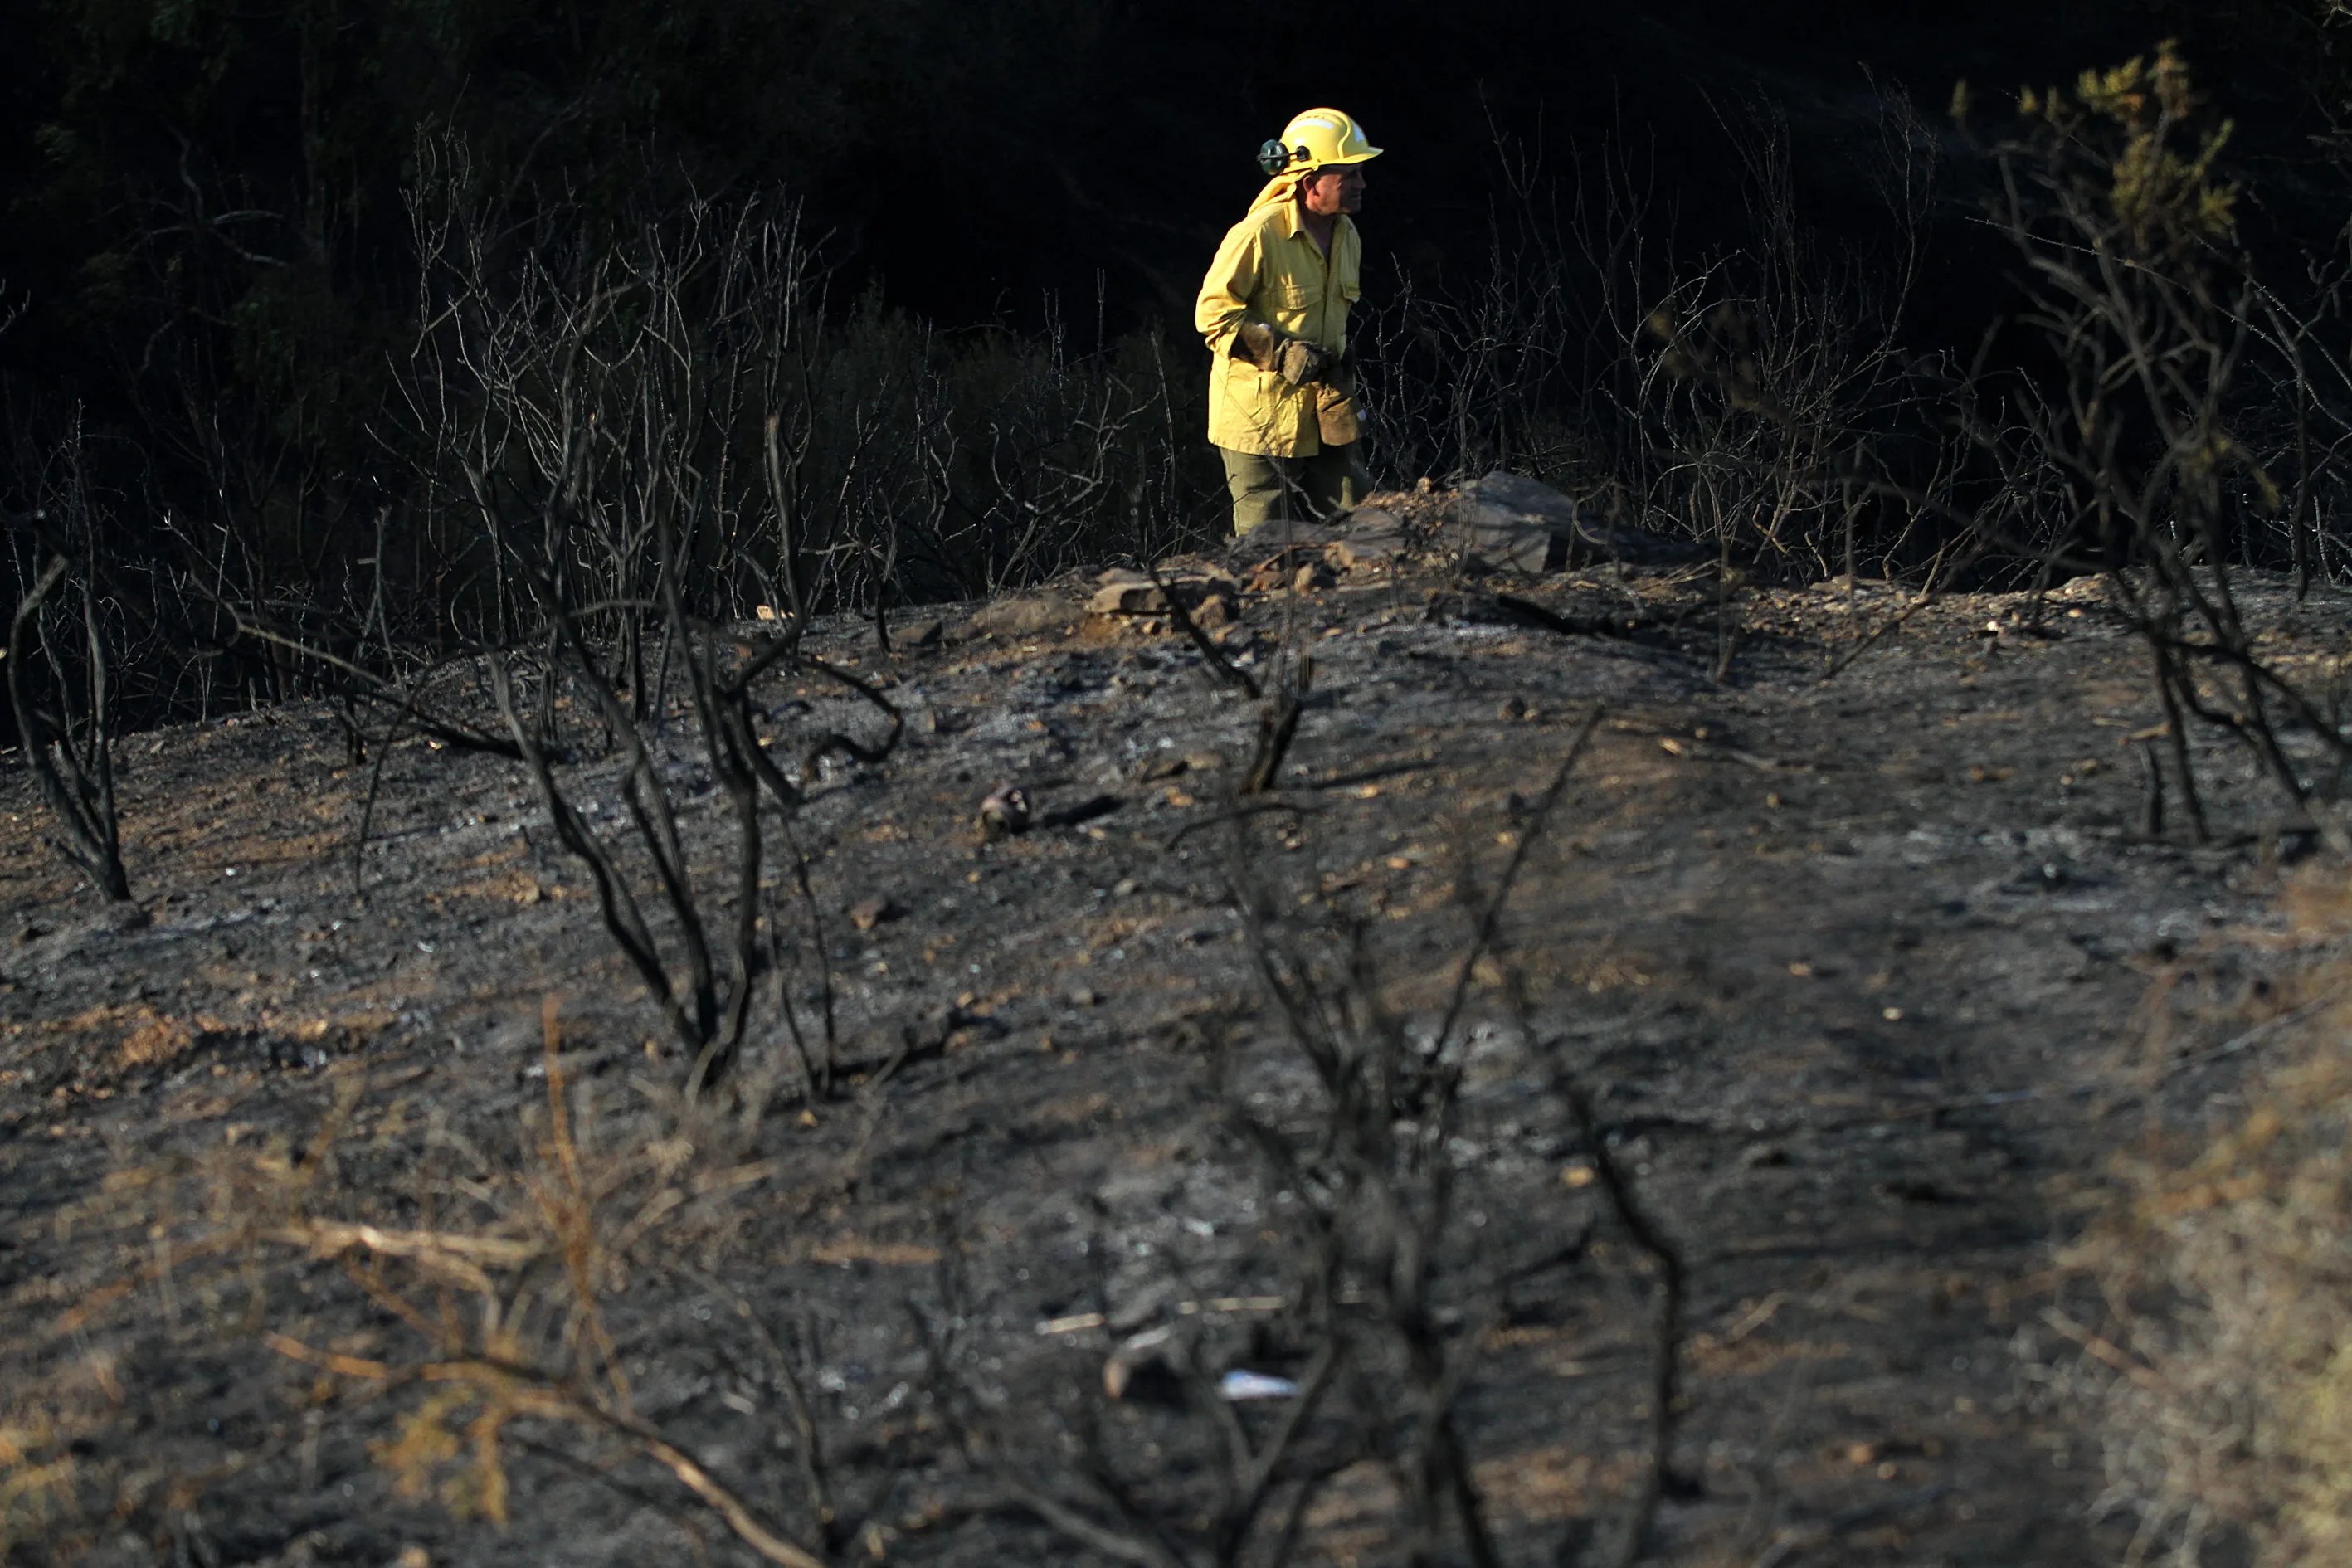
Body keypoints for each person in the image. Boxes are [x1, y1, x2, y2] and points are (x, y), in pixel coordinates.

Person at [1194, 108, 1381, 534]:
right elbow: (1212, 314)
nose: (1361, 184)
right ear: (1310, 181)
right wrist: (1280, 353)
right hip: (1259, 418)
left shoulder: (1346, 235)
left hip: (1324, 410)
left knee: (1356, 526)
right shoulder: (1258, 235)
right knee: (1267, 545)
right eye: (1348, 175)